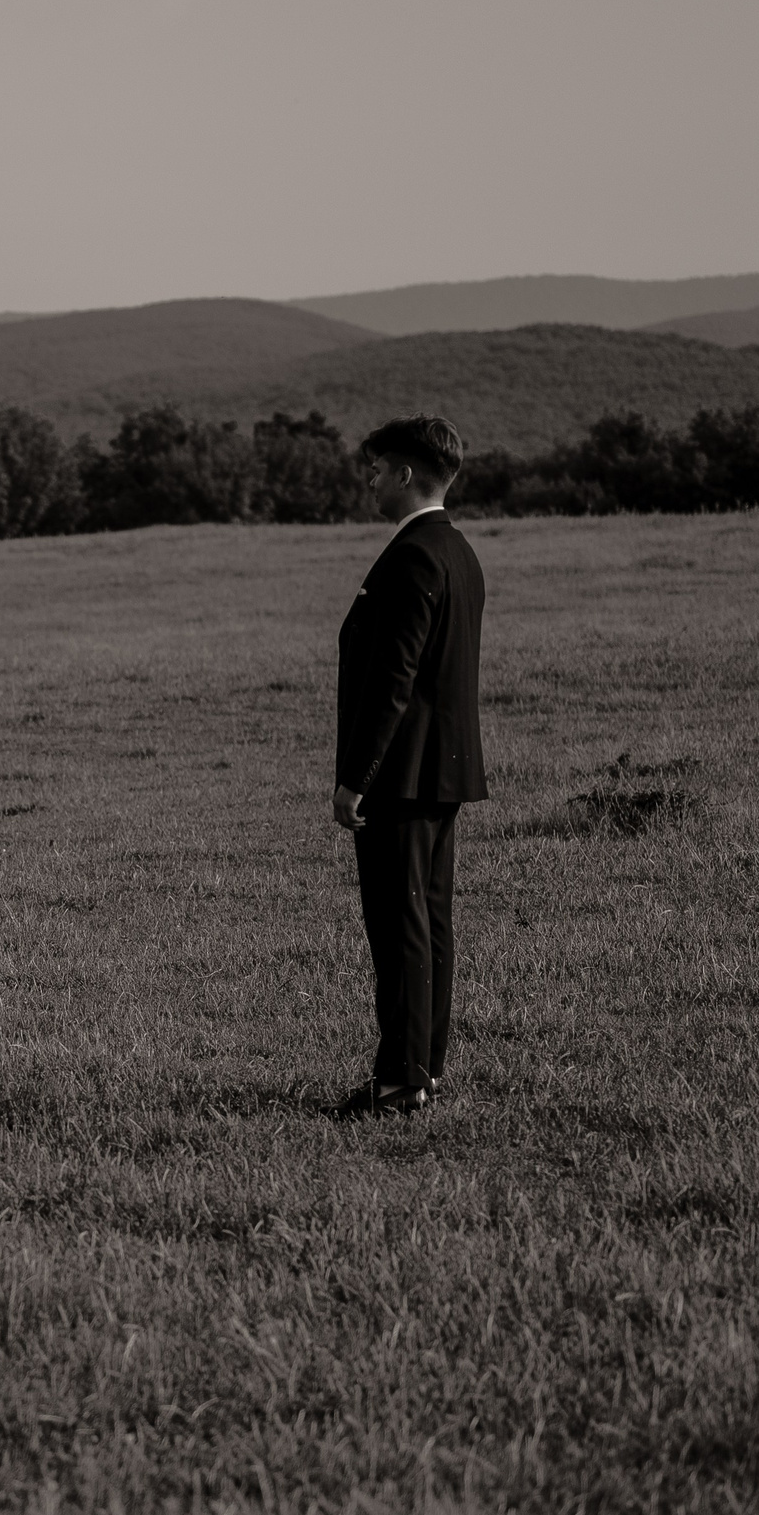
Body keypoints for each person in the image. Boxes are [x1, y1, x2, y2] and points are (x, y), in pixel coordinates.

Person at [327, 417, 487, 1118]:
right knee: (429, 921)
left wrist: (355, 776)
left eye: (376, 467)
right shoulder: (457, 549)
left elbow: (395, 678)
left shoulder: (416, 554)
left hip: (402, 774)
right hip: (441, 769)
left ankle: (400, 1079)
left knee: (400, 927)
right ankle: (424, 1069)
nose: (368, 478)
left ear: (404, 475)